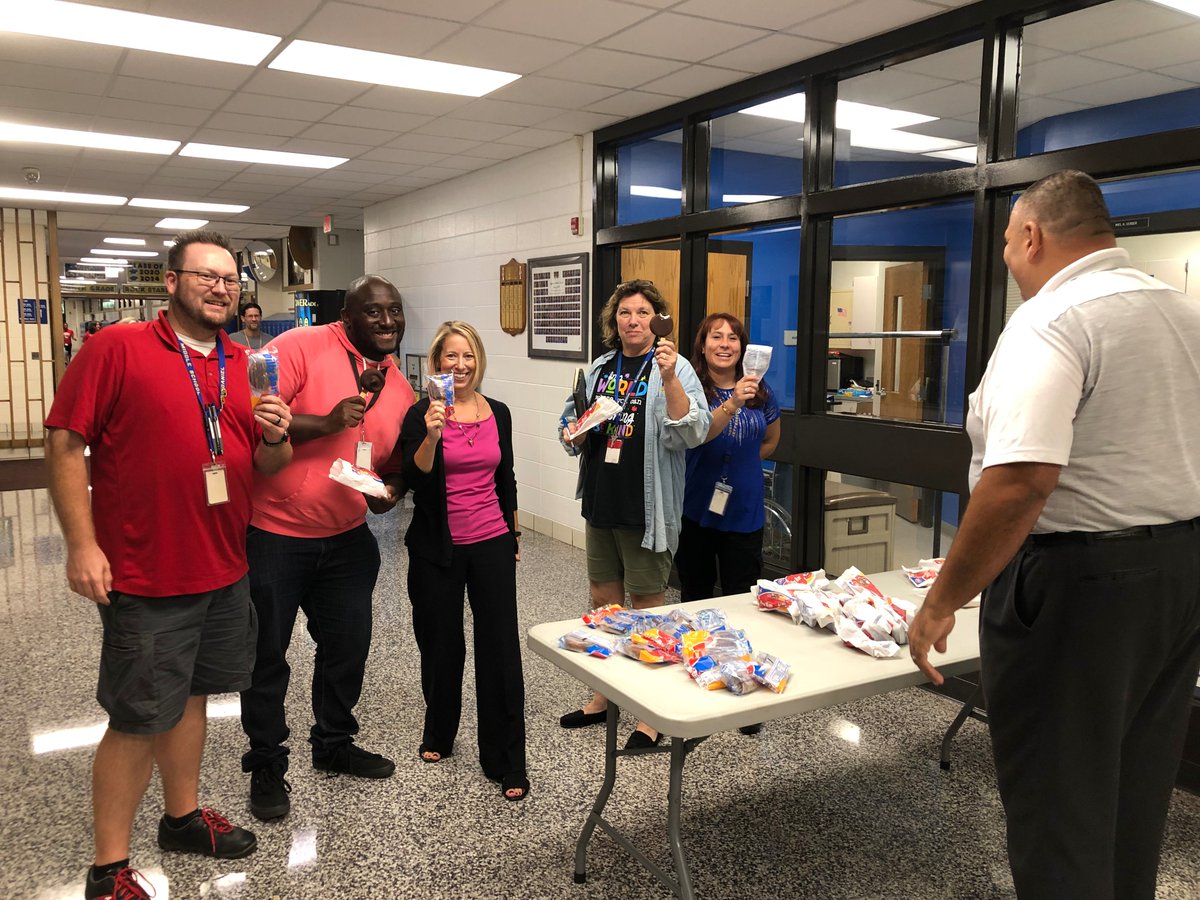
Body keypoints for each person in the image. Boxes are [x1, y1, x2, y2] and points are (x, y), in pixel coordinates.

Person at [907, 170, 1200, 900]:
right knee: (1134, 785)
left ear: (1033, 236)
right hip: (1180, 575)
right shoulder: (1183, 315)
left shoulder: (1053, 320)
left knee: (1059, 803)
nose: (1008, 257)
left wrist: (944, 600)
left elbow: (1020, 481)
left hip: (1080, 588)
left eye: (1007, 242)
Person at [45, 230, 293, 900]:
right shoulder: (115, 348)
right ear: (171, 280)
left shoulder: (244, 364)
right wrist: (81, 543)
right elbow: (67, 445)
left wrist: (276, 436)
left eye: (230, 278)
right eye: (205, 274)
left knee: (193, 698)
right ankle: (109, 869)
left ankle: (181, 817)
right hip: (147, 573)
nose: (220, 286)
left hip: (223, 567)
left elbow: (265, 466)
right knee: (136, 718)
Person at [239, 275, 414, 821]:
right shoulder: (296, 347)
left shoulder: (401, 388)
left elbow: (393, 463)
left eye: (394, 311)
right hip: (274, 534)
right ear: (347, 314)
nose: (387, 321)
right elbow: (254, 420)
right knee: (266, 656)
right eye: (373, 311)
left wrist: (393, 491)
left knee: (346, 649)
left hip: (346, 539)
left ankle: (333, 743)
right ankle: (266, 761)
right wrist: (325, 422)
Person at [558, 280, 710, 749]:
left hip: (649, 504)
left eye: (643, 312)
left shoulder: (676, 367)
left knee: (647, 606)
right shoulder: (600, 368)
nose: (633, 320)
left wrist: (666, 378)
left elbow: (694, 430)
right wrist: (575, 432)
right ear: (615, 320)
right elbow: (568, 427)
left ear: (657, 319)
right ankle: (604, 695)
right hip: (602, 500)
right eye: (625, 312)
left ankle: (651, 711)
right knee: (603, 604)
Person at [391, 321, 527, 800]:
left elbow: (505, 477)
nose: (461, 365)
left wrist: (512, 533)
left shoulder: (500, 413)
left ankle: (507, 758)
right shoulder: (418, 415)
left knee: (500, 651)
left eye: (468, 356)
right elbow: (414, 480)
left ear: (479, 360)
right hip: (436, 547)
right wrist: (431, 436)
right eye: (451, 357)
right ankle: (439, 731)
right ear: (436, 363)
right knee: (441, 644)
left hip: (490, 541)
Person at [676, 313, 780, 602]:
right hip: (695, 508)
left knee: (743, 596)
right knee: (696, 594)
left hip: (744, 511)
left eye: (732, 338)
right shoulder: (689, 389)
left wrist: (738, 463)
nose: (724, 345)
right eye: (716, 336)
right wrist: (732, 403)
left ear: (742, 347)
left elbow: (771, 440)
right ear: (703, 345)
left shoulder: (760, 390)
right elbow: (695, 436)